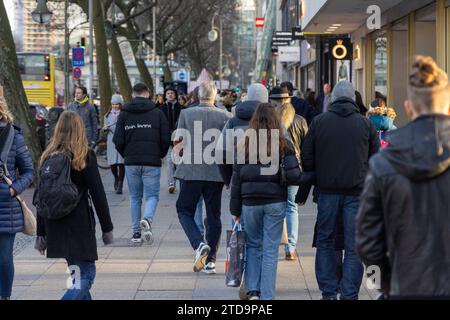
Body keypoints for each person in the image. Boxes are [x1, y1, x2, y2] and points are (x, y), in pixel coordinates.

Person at [356, 56, 450, 299]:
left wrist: (385, 284)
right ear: (448, 107)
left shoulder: (382, 163)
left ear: (409, 107)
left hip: (406, 284)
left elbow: (367, 241)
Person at [302, 80, 379, 300]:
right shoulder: (366, 125)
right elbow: (376, 160)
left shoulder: (319, 122)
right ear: (354, 99)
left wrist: (320, 173)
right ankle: (349, 294)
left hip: (327, 193)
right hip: (357, 194)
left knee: (326, 242)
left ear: (333, 99)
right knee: (353, 246)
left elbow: (306, 156)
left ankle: (328, 291)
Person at [230, 103, 313, 300]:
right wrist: (314, 177)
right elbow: (294, 176)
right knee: (269, 250)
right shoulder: (283, 143)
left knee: (253, 246)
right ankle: (267, 296)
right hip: (275, 202)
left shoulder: (244, 143)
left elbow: (236, 180)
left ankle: (253, 291)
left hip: (249, 203)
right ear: (275, 120)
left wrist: (235, 209)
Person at [34, 111, 113, 300]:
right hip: (79, 224)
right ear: (80, 129)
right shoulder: (84, 156)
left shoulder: (47, 157)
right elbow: (98, 195)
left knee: (77, 274)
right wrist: (107, 229)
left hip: (55, 224)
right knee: (87, 274)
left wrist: (41, 233)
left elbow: (41, 197)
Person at [174, 81, 232, 275]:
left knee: (184, 210)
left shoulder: (186, 114)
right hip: (215, 173)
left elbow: (178, 143)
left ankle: (198, 243)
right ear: (214, 96)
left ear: (199, 96)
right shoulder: (226, 116)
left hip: (191, 172)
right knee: (214, 216)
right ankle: (211, 261)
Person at [113, 83, 171, 244]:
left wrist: (127, 154)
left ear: (133, 94)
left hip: (131, 161)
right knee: (152, 196)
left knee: (135, 197)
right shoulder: (157, 113)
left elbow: (117, 140)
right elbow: (166, 138)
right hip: (152, 161)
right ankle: (147, 219)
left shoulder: (124, 114)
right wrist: (160, 154)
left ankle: (136, 233)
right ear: (148, 94)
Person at [0, 97, 35, 300]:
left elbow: (29, 172)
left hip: (5, 204)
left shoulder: (13, 135)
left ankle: (5, 296)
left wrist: (13, 189)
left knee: (4, 258)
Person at [269, 86, 308, 261]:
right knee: (292, 208)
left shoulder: (268, 121)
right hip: (295, 170)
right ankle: (290, 248)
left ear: (272, 102)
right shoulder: (300, 120)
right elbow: (307, 149)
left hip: (272, 170)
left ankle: (273, 244)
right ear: (289, 100)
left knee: (275, 208)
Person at [216, 83, 269, 186]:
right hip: (271, 181)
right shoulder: (275, 120)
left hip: (240, 179)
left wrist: (229, 179)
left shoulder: (232, 122)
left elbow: (222, 153)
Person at [160, 87, 182, 194]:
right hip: (167, 139)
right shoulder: (161, 109)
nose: (170, 95)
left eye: (172, 93)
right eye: (168, 93)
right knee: (169, 161)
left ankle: (181, 180)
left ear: (175, 95)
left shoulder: (182, 108)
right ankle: (171, 183)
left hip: (180, 139)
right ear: (165, 95)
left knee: (179, 161)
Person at [104, 94, 125, 194]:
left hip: (121, 140)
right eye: (113, 104)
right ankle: (116, 178)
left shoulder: (124, 114)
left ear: (120, 104)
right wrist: (105, 129)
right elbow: (104, 127)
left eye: (117, 104)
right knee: (113, 164)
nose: (115, 106)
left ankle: (120, 184)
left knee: (121, 163)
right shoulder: (107, 115)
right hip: (111, 140)